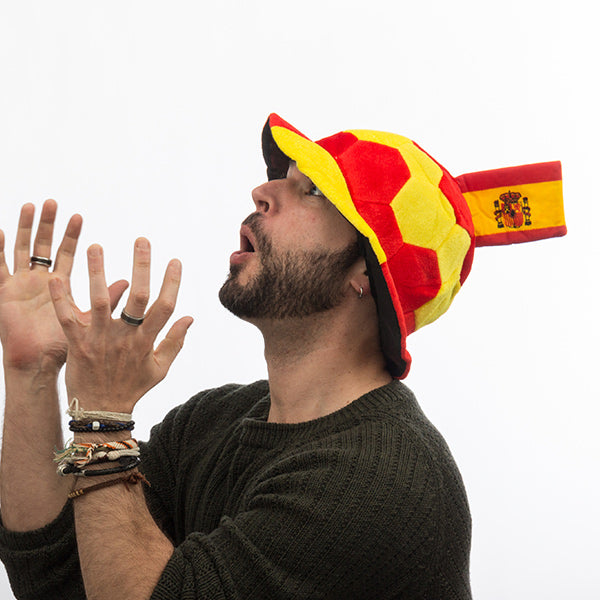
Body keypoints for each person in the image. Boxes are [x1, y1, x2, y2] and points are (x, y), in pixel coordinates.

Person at [0, 114, 566, 600]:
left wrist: (103, 413)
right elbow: (60, 575)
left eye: (313, 191)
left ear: (364, 273)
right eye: (284, 178)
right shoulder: (211, 423)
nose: (262, 192)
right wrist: (30, 374)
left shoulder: (379, 484)